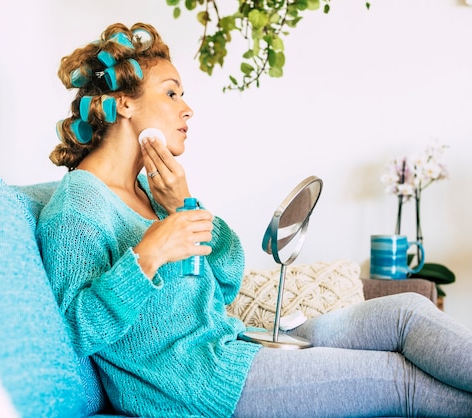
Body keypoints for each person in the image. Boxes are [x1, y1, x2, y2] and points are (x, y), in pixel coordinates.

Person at [36, 22, 472, 417]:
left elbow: (226, 281)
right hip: (200, 387)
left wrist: (185, 205)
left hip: (238, 345)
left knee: (408, 313)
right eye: (172, 93)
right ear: (122, 104)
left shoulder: (152, 190)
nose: (188, 110)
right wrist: (147, 255)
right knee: (399, 378)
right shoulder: (77, 208)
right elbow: (72, 332)